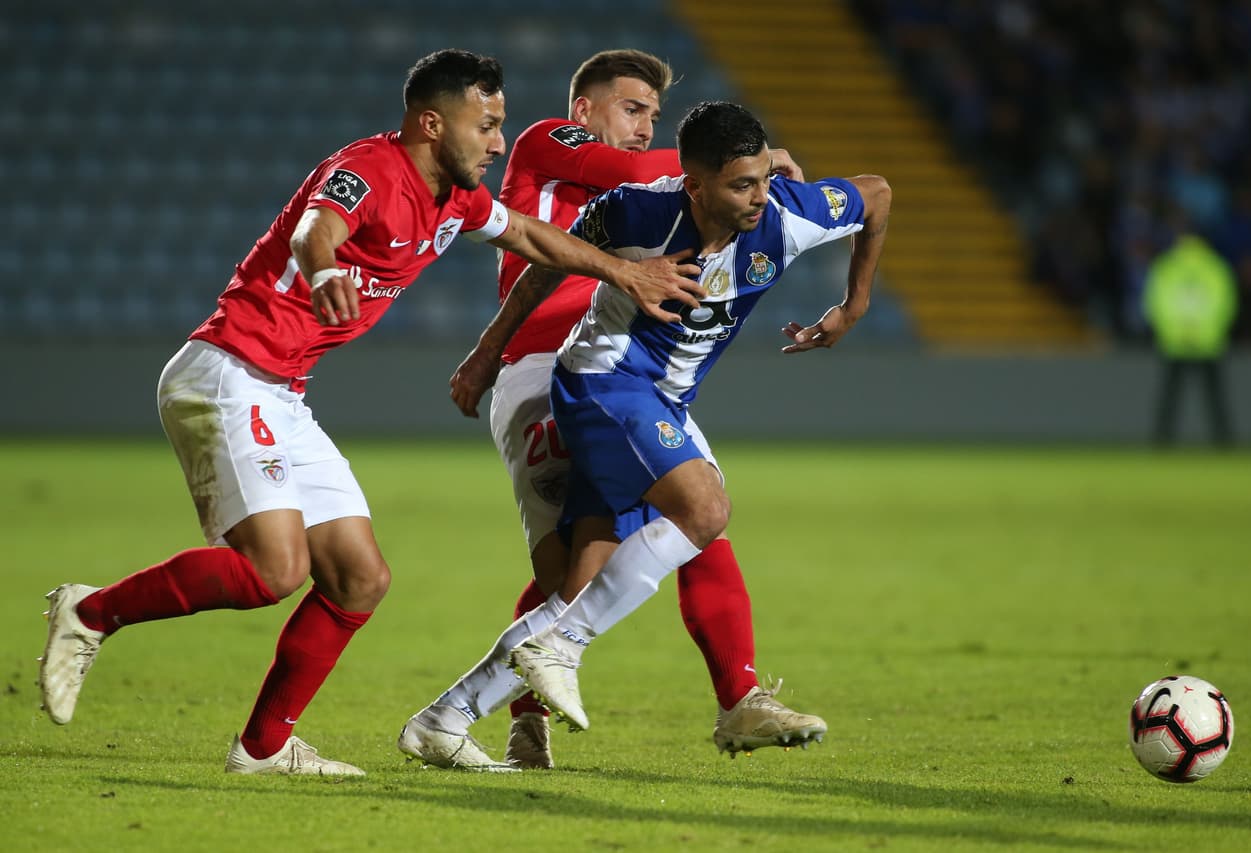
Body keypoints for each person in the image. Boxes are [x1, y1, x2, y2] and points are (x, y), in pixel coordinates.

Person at [36, 48, 703, 776]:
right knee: (274, 570)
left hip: (283, 390)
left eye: (500, 125)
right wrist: (324, 268)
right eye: (485, 125)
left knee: (359, 577)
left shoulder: (457, 199)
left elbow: (530, 235)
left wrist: (625, 271)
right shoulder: (371, 168)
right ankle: (91, 610)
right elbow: (315, 228)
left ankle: (263, 748)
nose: (497, 141)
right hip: (228, 371)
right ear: (430, 121)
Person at [398, 100, 890, 769]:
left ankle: (445, 716)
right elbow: (548, 259)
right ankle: (567, 649)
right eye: (741, 185)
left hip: (664, 401)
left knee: (582, 578)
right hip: (600, 384)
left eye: (763, 178)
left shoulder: (787, 214)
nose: (758, 197)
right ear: (695, 184)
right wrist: (491, 348)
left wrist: (854, 304)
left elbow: (878, 194)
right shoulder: (637, 213)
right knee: (705, 508)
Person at [1144, 223, 1239, 447]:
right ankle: (1223, 442)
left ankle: (1162, 441)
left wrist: (1173, 329)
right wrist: (1209, 329)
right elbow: (1225, 303)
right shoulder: (1216, 266)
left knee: (1170, 396)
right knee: (1214, 397)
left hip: (1174, 341)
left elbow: (1155, 303)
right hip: (1209, 341)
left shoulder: (1166, 266)